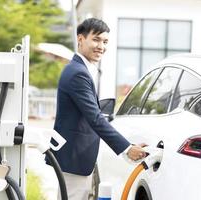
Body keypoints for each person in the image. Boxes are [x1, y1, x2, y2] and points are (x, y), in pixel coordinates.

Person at [46, 18, 147, 200]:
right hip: (74, 158)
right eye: (96, 39)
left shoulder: (82, 70)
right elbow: (95, 117)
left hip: (75, 157)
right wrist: (126, 149)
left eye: (105, 42)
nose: (101, 46)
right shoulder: (78, 73)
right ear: (80, 39)